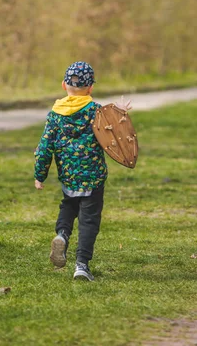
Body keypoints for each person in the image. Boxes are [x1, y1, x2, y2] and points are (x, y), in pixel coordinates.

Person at [34, 61, 131, 281]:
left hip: (69, 176)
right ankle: (81, 265)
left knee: (68, 206)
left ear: (63, 85)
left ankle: (62, 235)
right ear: (90, 89)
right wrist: (122, 114)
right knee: (89, 220)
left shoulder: (55, 114)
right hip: (93, 177)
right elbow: (117, 133)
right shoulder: (96, 111)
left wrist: (39, 175)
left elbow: (45, 146)